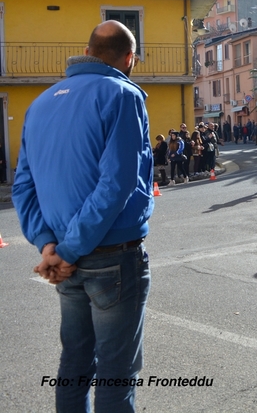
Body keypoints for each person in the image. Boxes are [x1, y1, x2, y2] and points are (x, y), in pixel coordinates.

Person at [12, 20, 153, 412]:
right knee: (115, 373)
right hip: (109, 256)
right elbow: (117, 184)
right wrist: (69, 250)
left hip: (63, 257)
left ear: (88, 52)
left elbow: (24, 186)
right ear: (130, 59)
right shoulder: (123, 95)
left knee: (74, 364)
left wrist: (49, 246)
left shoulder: (39, 103)